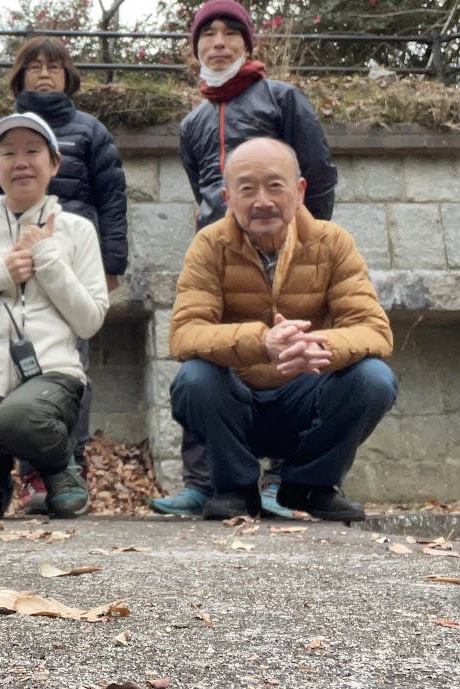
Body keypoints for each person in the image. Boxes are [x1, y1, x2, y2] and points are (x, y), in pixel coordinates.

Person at [156, 0, 339, 518]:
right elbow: (204, 191)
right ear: (195, 49)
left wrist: (303, 241)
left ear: (247, 43)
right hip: (217, 254)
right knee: (205, 355)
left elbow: (318, 174)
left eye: (229, 33)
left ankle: (282, 479)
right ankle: (204, 481)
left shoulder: (282, 99)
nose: (218, 42)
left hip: (286, 249)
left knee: (288, 349)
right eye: (207, 34)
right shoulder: (192, 123)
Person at [167, 137, 396, 523]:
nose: (263, 201)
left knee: (374, 379)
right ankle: (235, 489)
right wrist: (261, 343)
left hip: (305, 396)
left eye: (275, 186)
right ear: (227, 196)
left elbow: (374, 329)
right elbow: (185, 333)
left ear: (300, 190)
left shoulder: (332, 242)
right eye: (247, 189)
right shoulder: (209, 245)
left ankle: (309, 485)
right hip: (236, 402)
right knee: (194, 379)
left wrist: (315, 344)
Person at [0, 36, 126, 513]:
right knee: (2, 362)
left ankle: (67, 461)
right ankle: (21, 472)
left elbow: (111, 198)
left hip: (72, 261)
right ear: (19, 75)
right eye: (34, 65)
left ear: (68, 75)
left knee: (68, 364)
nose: (44, 74)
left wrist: (111, 265)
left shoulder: (90, 131)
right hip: (8, 265)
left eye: (54, 66)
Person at [0, 112, 109, 519]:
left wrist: (46, 257)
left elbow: (89, 321)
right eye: (8, 153)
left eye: (33, 151)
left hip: (50, 377)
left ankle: (60, 469)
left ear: (54, 163)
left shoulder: (78, 230)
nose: (21, 162)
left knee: (21, 417)